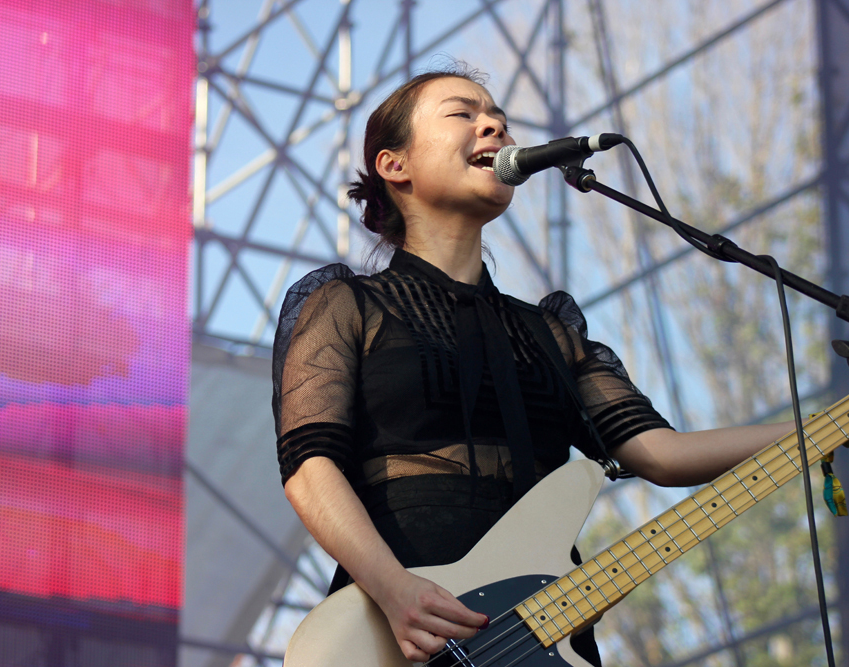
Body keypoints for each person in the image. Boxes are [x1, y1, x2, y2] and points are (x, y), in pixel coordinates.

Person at [271, 64, 792, 665]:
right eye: (463, 113)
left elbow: (659, 454)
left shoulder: (549, 332)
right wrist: (393, 589)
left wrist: (823, 426)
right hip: (400, 631)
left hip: (537, 633)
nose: (494, 125)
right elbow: (309, 467)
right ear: (395, 166)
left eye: (499, 118)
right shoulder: (348, 305)